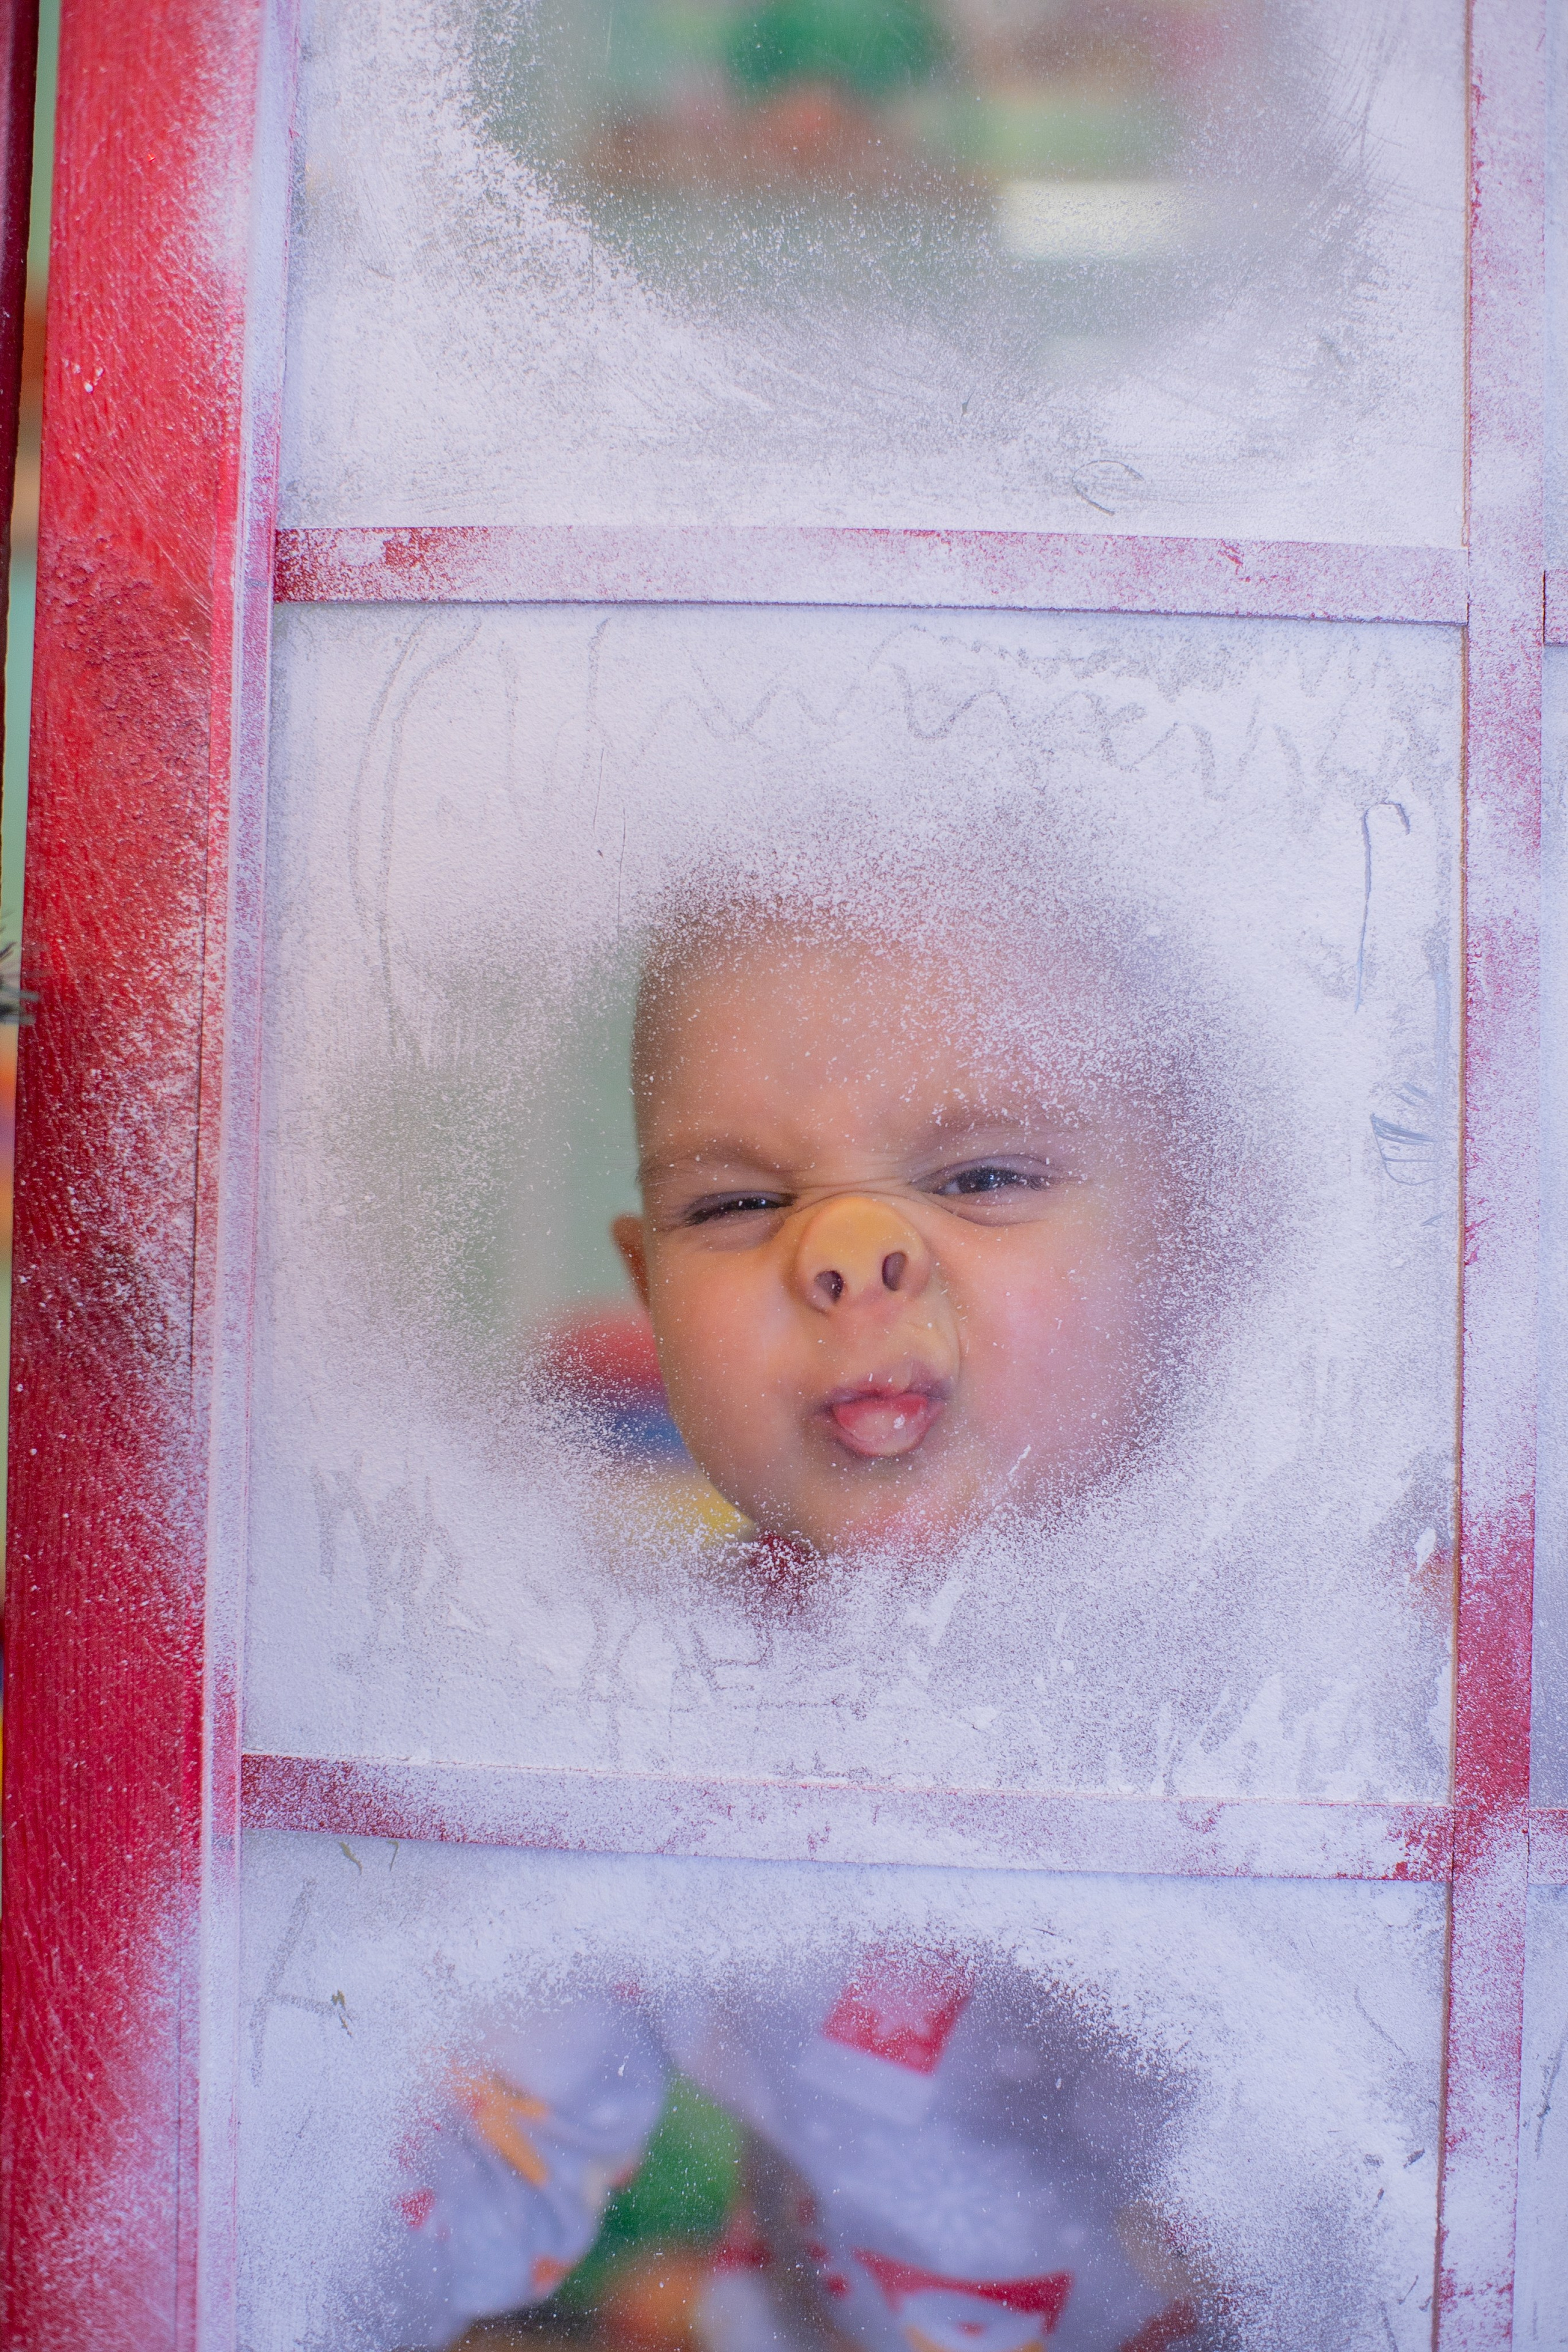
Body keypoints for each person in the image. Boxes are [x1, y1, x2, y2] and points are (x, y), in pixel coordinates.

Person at [384, 876, 1221, 2352]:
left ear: (1200, 1247)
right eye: (737, 1202)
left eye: (981, 1177)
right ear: (648, 1293)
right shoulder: (654, 1697)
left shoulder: (1313, 1664)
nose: (841, 1250)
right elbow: (431, 2188)